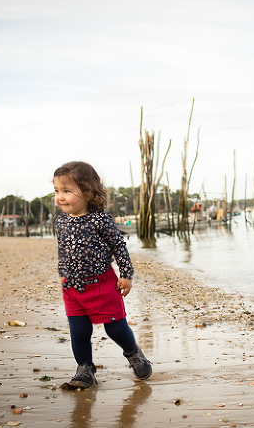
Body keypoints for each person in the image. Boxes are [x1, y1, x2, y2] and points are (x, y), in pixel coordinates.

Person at [53, 161, 152, 388]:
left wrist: (125, 274)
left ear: (87, 192)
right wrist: (62, 273)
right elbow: (62, 249)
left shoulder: (100, 220)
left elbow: (119, 246)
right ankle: (85, 369)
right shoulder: (60, 222)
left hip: (102, 285)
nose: (60, 197)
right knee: (79, 331)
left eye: (67, 191)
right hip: (73, 288)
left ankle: (133, 354)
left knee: (115, 328)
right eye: (56, 191)